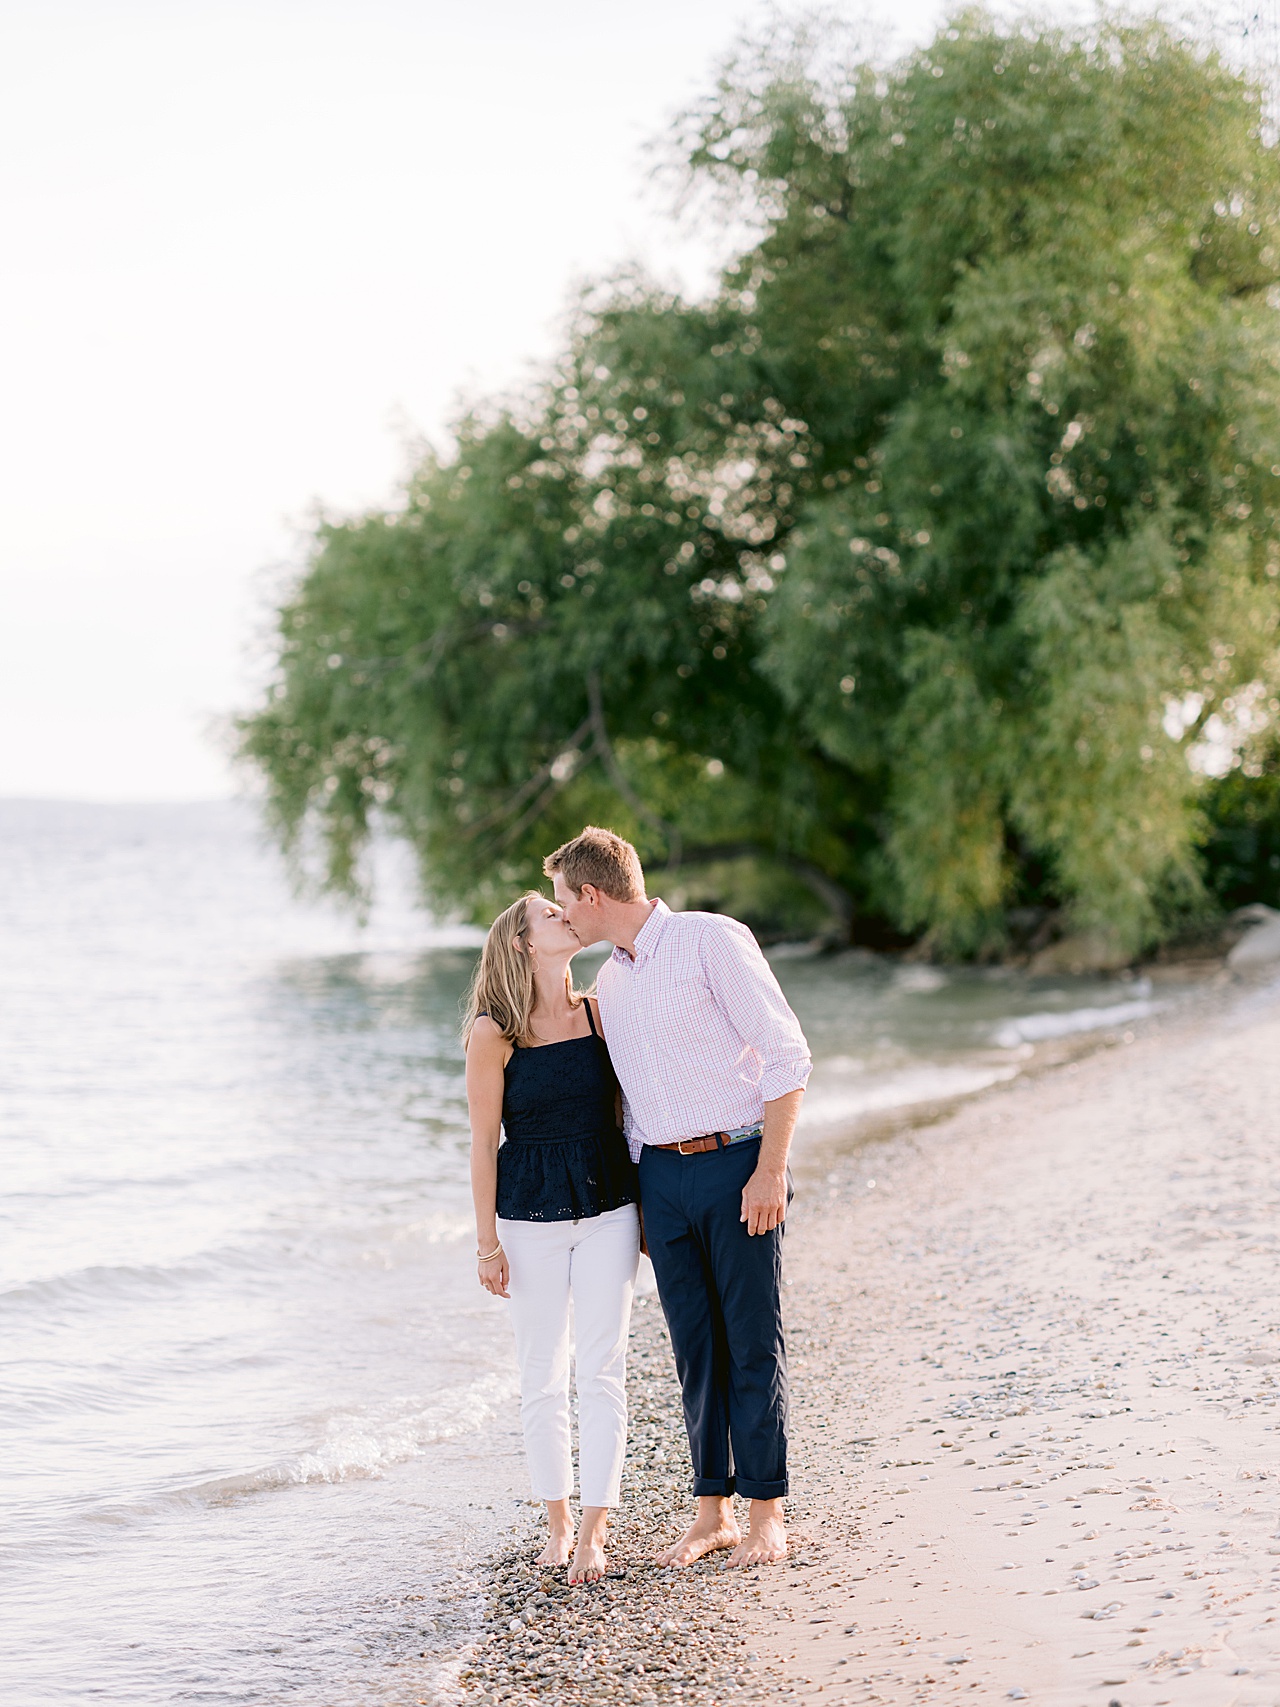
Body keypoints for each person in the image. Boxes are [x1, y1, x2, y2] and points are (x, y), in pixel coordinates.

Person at [544, 827, 811, 1569]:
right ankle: (711, 1512)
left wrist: (770, 1168)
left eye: (566, 902)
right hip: (660, 1180)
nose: (565, 915)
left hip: (737, 1163)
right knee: (695, 1348)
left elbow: (788, 1053)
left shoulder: (711, 941)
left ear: (593, 895)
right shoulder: (611, 982)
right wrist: (637, 1206)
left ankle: (767, 1513)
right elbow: (626, 1102)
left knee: (752, 1339)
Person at [464, 891, 640, 1585]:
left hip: (609, 1209)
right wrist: (486, 1244)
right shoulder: (493, 1031)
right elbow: (482, 1144)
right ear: (522, 942)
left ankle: (595, 1529)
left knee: (602, 1369)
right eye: (549, 913)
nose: (566, 915)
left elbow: (631, 1112)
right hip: (528, 1221)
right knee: (541, 1377)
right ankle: (558, 1524)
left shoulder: (601, 1010)